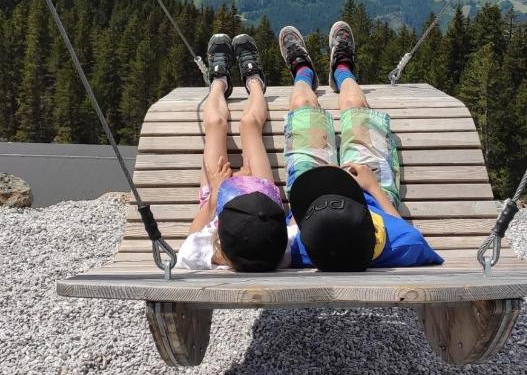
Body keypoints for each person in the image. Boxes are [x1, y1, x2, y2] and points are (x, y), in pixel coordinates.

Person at [279, 21, 444, 271]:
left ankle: (303, 71)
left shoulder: (296, 249)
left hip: (310, 199)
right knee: (356, 106)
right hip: (370, 192)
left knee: (302, 104)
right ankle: (343, 70)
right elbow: (406, 231)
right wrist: (372, 187)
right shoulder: (401, 246)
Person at [176, 33, 290, 271]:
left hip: (217, 199)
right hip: (261, 199)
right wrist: (250, 182)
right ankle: (255, 82)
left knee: (215, 124)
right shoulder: (281, 254)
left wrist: (217, 194)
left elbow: (193, 234)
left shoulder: (203, 254)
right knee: (249, 125)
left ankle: (218, 82)